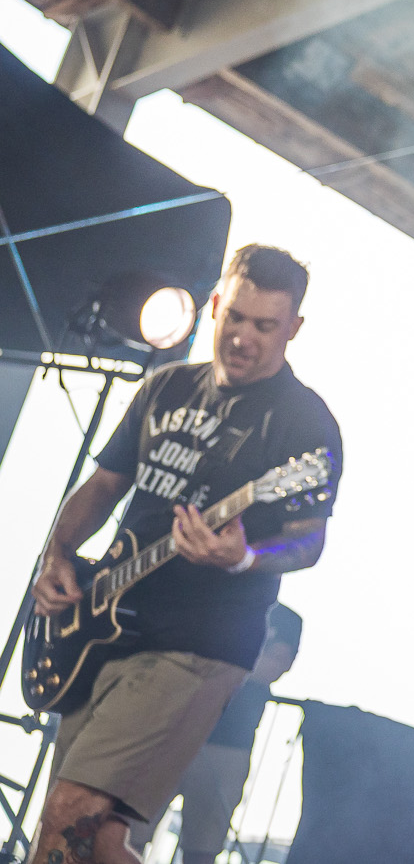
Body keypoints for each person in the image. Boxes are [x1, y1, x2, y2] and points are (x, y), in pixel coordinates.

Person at [29, 246, 344, 864]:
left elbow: (308, 541)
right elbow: (103, 487)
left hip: (196, 649)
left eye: (265, 325)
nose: (244, 338)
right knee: (94, 838)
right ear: (216, 305)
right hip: (103, 627)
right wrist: (57, 554)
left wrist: (244, 557)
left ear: (294, 328)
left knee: (70, 815)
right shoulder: (167, 386)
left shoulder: (305, 425)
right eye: (236, 317)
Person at [132, 604, 303, 862]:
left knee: (203, 847)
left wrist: (223, 659)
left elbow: (274, 667)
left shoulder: (284, 617)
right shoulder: (218, 600)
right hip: (168, 736)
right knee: (129, 834)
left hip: (228, 748)